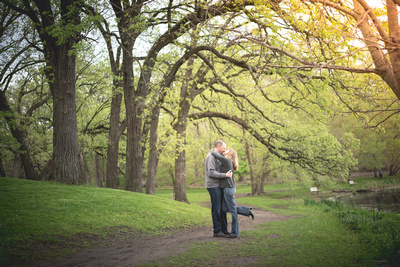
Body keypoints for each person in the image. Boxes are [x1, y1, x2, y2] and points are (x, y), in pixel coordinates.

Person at [211, 148, 254, 238]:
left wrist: (214, 149)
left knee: (232, 210)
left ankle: (234, 233)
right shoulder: (227, 161)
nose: (225, 150)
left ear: (229, 154)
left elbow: (214, 153)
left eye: (227, 150)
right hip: (228, 189)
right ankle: (246, 211)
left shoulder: (227, 161)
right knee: (224, 208)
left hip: (228, 189)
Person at [205, 140, 232, 237]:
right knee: (216, 208)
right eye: (223, 148)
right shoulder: (211, 156)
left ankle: (224, 230)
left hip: (219, 185)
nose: (224, 150)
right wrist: (225, 175)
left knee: (222, 208)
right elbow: (211, 172)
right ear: (219, 146)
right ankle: (217, 231)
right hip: (213, 185)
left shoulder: (218, 156)